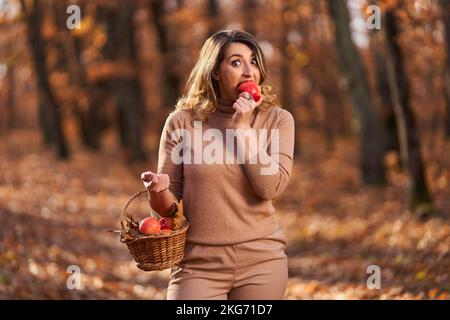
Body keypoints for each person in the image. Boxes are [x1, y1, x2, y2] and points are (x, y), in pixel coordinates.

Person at [140, 29, 295, 300]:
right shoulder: (181, 122)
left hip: (261, 262)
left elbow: (269, 188)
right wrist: (158, 191)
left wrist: (243, 128)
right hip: (197, 265)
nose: (249, 71)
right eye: (236, 62)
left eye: (254, 61)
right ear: (215, 72)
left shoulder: (278, 121)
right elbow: (168, 210)